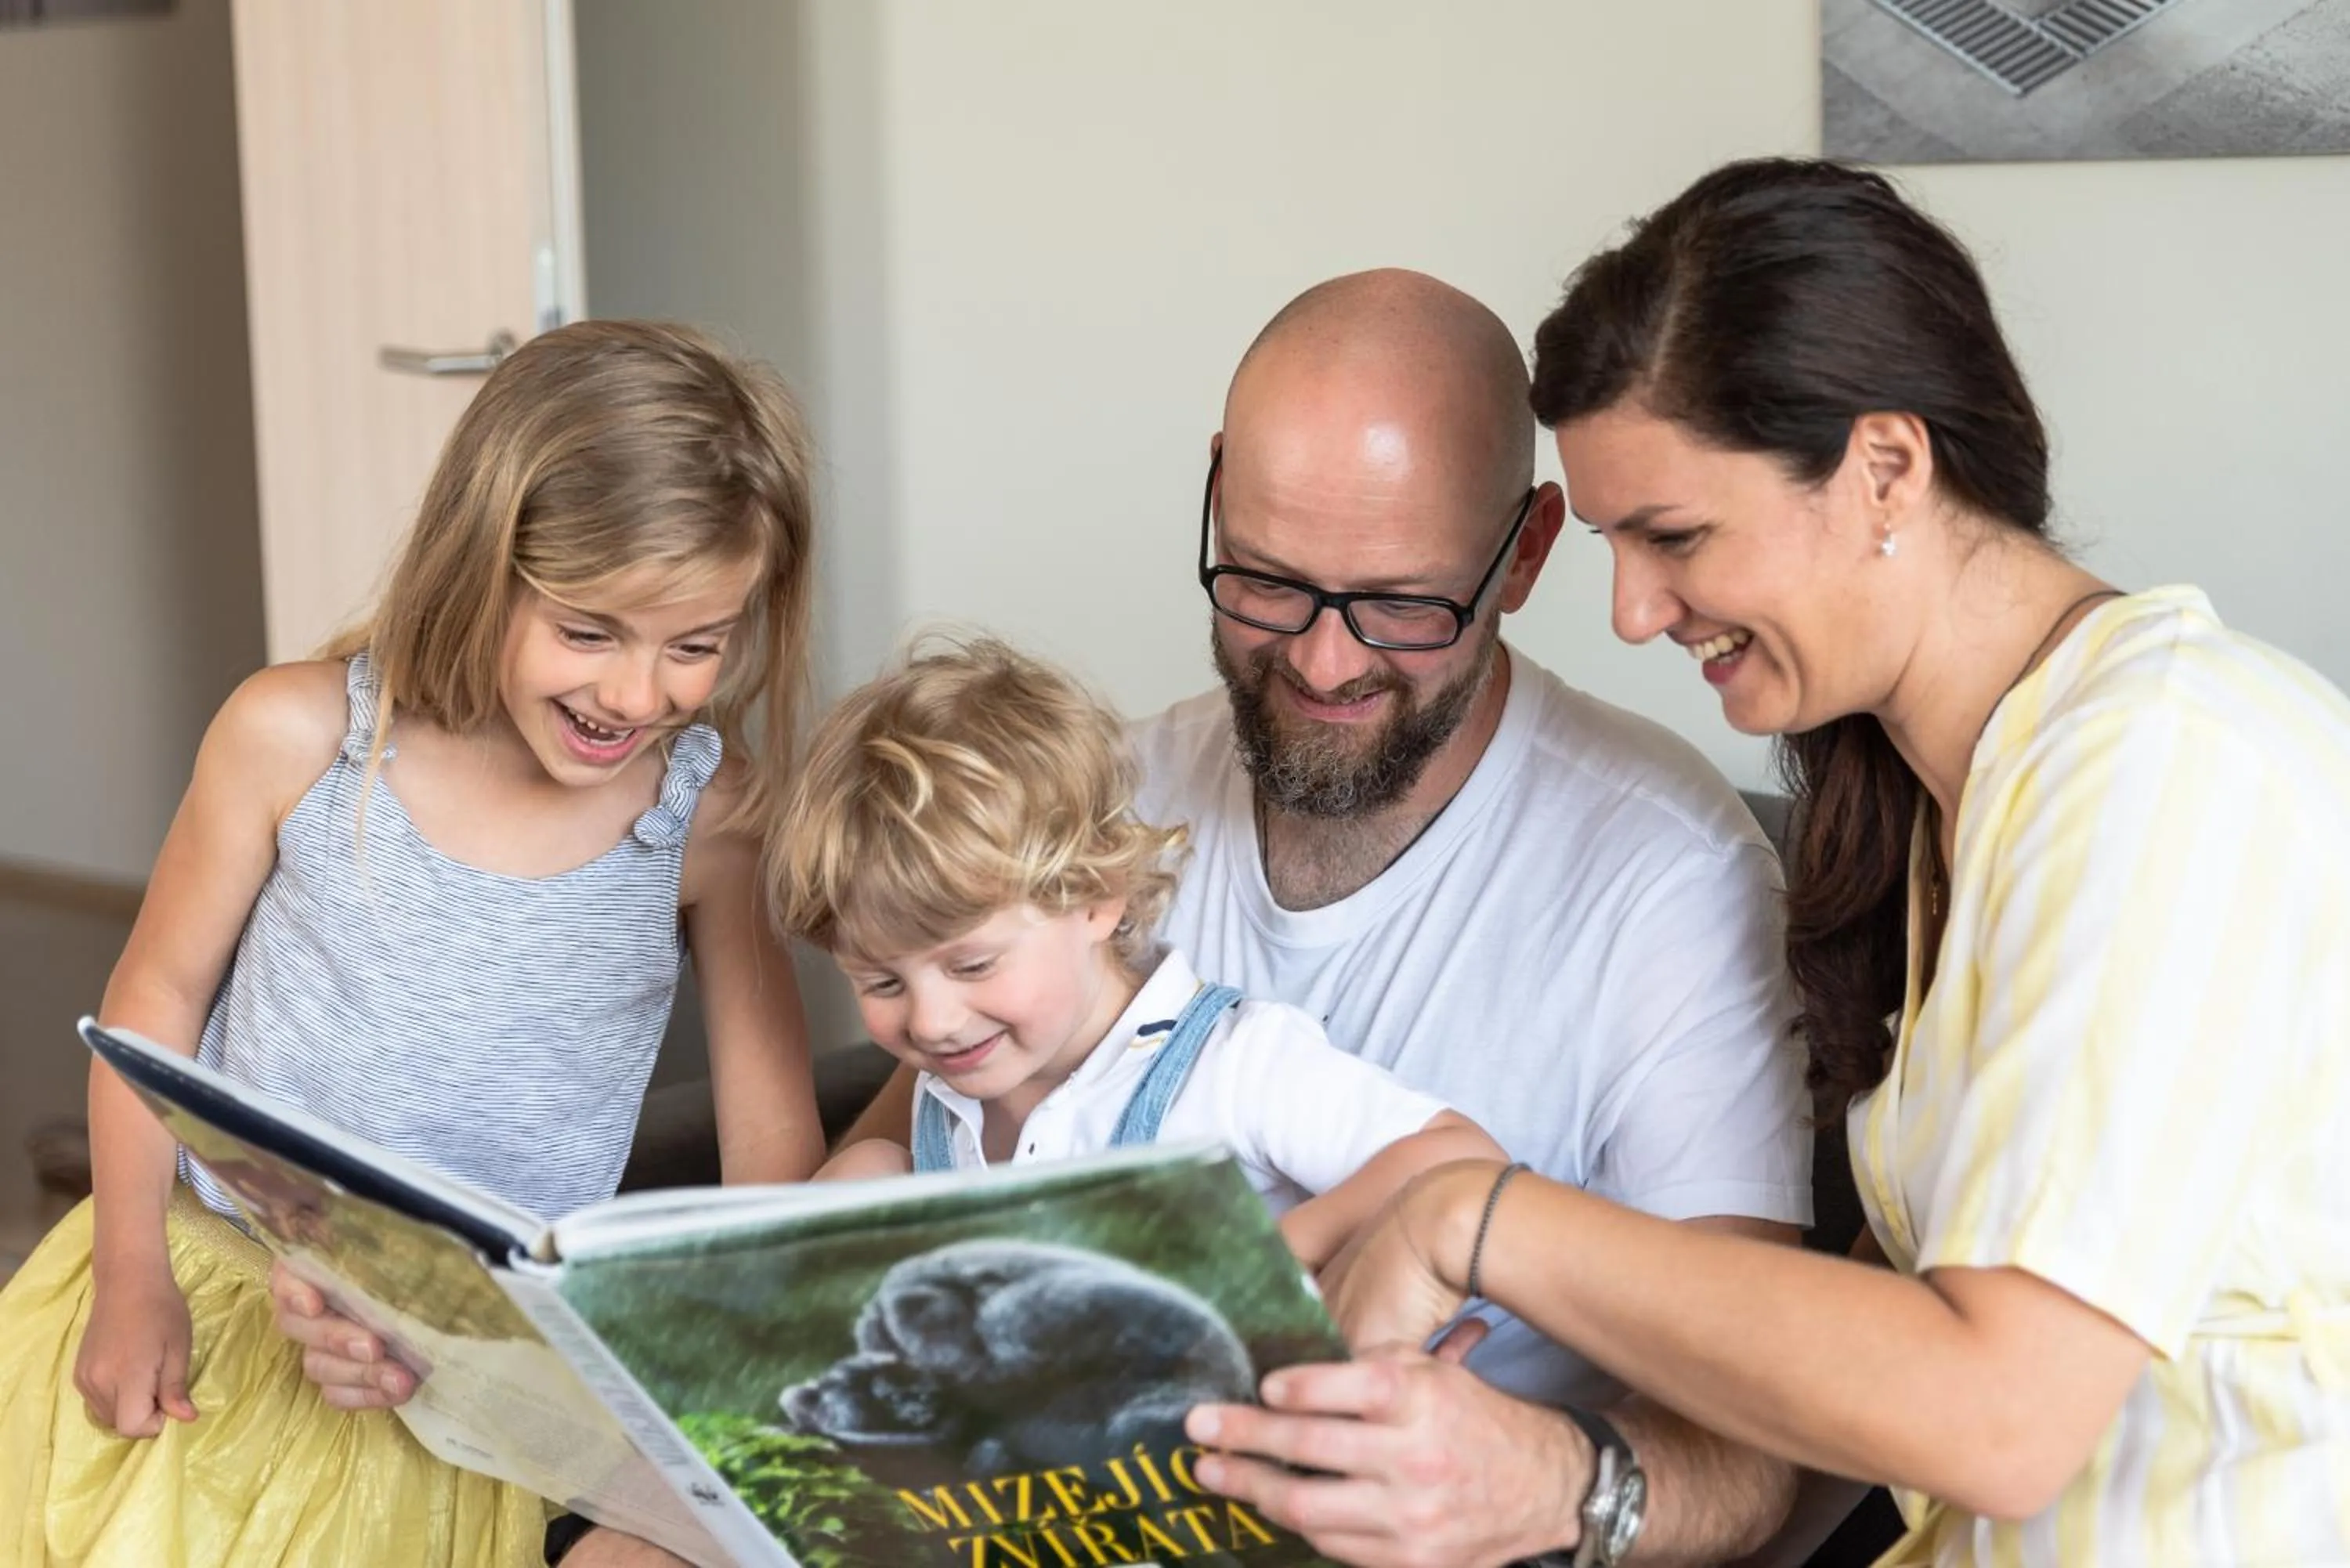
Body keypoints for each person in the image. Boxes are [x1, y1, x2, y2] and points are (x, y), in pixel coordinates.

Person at [1192, 157, 2350, 1568]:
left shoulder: (2161, 762)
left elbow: (1998, 1414)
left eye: (1675, 537)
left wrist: (1476, 1216)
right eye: (1619, 543)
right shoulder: (1966, 799)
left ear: (1885, 470)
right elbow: (1858, 1367)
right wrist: (1586, 1490)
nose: (1630, 611)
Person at [842, 269, 1817, 1564]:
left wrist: (1544, 1486)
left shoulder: (1664, 878)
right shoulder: (1106, 800)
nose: (1322, 659)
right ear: (1214, 491)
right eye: (1265, 583)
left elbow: (1756, 1432)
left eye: (1402, 604)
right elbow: (910, 1127)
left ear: (1524, 553)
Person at [0, 320, 830, 1568]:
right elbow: (155, 1000)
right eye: (590, 631)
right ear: (484, 564)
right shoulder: (295, 736)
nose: (638, 695)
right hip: (219, 1296)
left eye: (696, 645)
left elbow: (771, 1149)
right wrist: (131, 1276)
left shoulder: (710, 821)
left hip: (467, 1388)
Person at [775, 635, 1511, 1270]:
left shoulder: (1231, 1068)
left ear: (1100, 897)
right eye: (881, 982)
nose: (931, 1022)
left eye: (972, 966)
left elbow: (1463, 1159)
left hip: (1228, 1428)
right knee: (860, 1176)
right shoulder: (941, 1117)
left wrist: (1270, 1264)